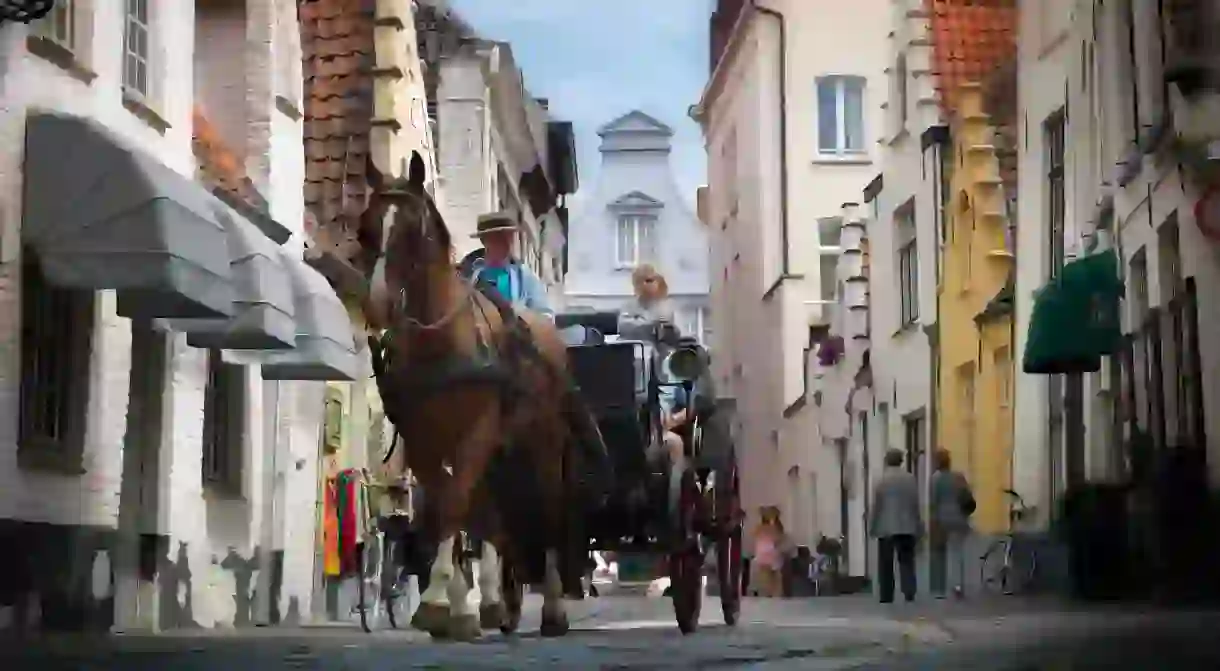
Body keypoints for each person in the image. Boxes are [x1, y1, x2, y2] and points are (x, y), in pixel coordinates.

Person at [465, 211, 553, 317]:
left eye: (510, 236)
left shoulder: (524, 277)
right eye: (499, 237)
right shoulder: (467, 275)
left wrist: (522, 316)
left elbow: (546, 316)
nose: (507, 243)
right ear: (484, 240)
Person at [869, 448, 922, 603]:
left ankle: (886, 594)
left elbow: (877, 506)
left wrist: (873, 526)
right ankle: (909, 591)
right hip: (907, 527)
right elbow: (915, 504)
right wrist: (918, 524)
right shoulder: (910, 479)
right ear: (901, 461)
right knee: (907, 561)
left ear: (887, 460)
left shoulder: (881, 480)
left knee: (885, 564)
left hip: (886, 528)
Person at [929, 449, 974, 599]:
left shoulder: (935, 479)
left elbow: (933, 502)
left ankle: (939, 589)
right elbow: (968, 496)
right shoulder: (959, 477)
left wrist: (932, 521)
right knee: (957, 553)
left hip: (942, 520)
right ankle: (958, 585)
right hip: (959, 518)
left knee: (939, 553)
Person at [617, 264, 676, 342]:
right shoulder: (629, 305)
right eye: (640, 281)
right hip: (634, 349)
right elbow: (623, 326)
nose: (645, 285)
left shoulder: (667, 306)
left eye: (650, 281)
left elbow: (669, 331)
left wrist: (641, 321)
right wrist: (648, 324)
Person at [750, 506, 787, 597]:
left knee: (768, 581)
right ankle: (773, 595)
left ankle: (770, 595)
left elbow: (755, 535)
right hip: (770, 555)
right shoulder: (773, 528)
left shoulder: (761, 528)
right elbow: (779, 539)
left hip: (766, 555)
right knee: (773, 581)